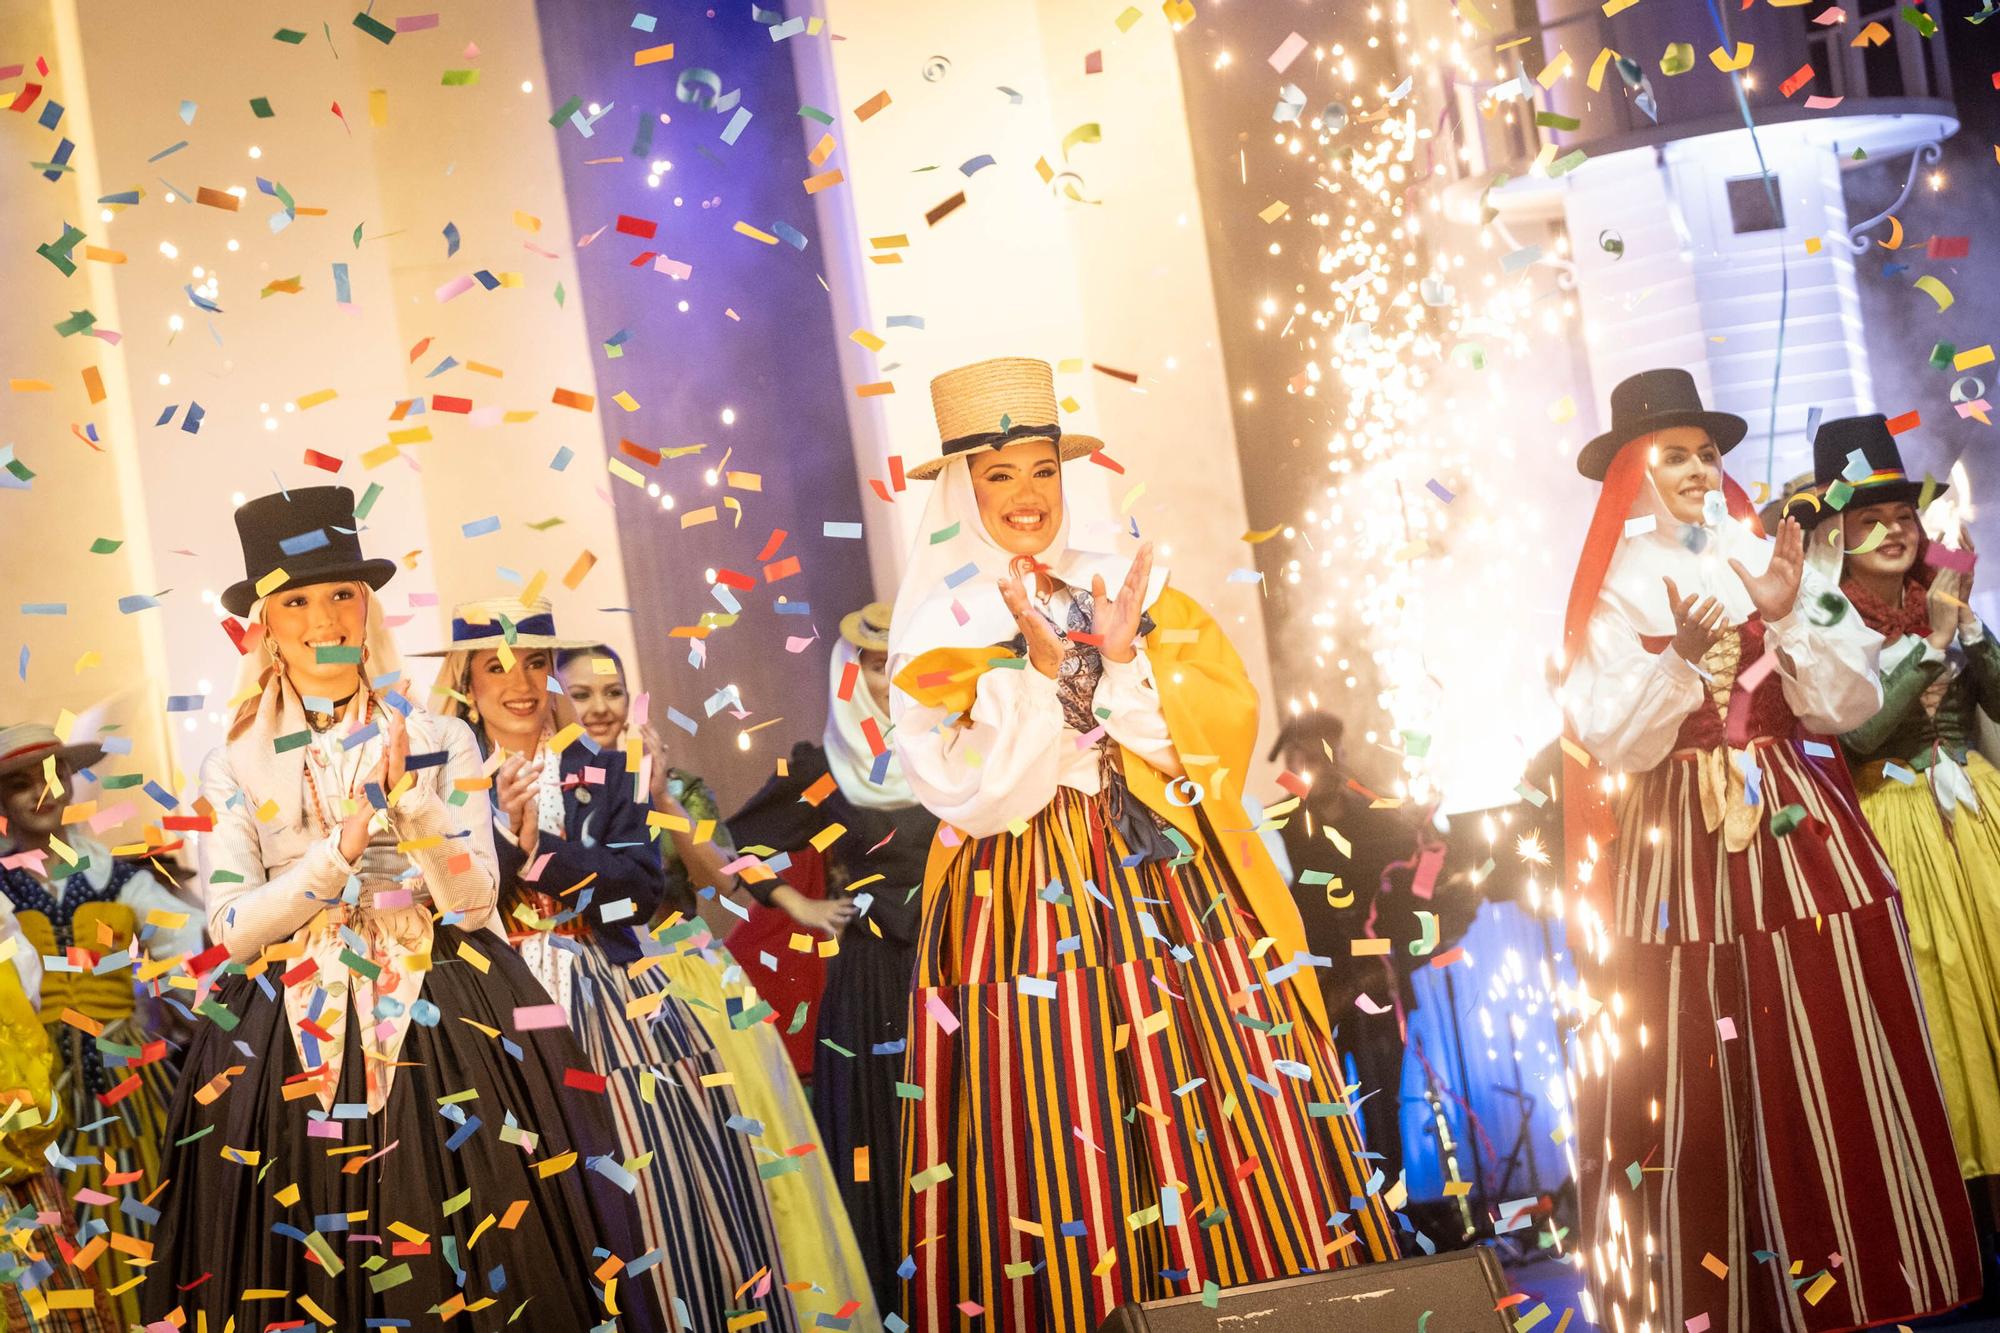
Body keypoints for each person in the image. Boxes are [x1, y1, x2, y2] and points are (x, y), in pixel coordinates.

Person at [888, 357, 1393, 1330]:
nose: (1025, 495)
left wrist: (1113, 665)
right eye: (998, 474)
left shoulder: (1118, 584)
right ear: (964, 488)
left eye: (1040, 469)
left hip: (1154, 875)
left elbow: (1192, 743)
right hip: (1017, 897)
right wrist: (1046, 680)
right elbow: (972, 795)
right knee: (1055, 1098)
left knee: (1206, 1086)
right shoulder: (932, 626)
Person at [142, 488, 660, 1330]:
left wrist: (413, 808)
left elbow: (471, 901)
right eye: (297, 600)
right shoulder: (231, 762)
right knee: (302, 1251)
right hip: (285, 1038)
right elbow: (232, 929)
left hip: (446, 1012)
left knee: (483, 1238)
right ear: (265, 622)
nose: (324, 619)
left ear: (367, 606)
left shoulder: (436, 735)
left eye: (342, 593)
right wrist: (335, 854)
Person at [1558, 373, 1977, 1332]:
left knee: (1833, 1023)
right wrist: (1676, 660)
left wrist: (1787, 611)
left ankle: (1871, 1275)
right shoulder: (1617, 583)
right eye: (1676, 454)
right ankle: (1728, 1299)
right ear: (1633, 471)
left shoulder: (1763, 551)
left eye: (1708, 452)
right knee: (1696, 1055)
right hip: (1681, 841)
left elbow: (1849, 707)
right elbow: (1614, 744)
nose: (1701, 469)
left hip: (1796, 817)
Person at [548, 636, 881, 1326]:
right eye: (581, 694)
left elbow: (719, 878)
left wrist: (660, 788)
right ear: (556, 702)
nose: (602, 707)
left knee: (753, 1155)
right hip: (593, 988)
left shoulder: (672, 781)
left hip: (693, 978)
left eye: (613, 690)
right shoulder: (545, 787)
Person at [1808, 416, 2000, 1227]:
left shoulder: (1943, 597)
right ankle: (1971, 1224)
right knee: (1944, 1018)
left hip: (1979, 818)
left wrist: (1971, 630)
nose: (1892, 529)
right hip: (1896, 832)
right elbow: (1856, 734)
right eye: (1868, 519)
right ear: (1836, 537)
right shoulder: (1825, 621)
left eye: (1902, 516)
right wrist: (1932, 644)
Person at [725, 601, 939, 1316]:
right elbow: (743, 847)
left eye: (903, 664)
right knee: (889, 1145)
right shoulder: (826, 767)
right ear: (854, 674)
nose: (893, 680)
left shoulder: (953, 747)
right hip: (876, 978)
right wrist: (801, 905)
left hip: (956, 963)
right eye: (880, 667)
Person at [0, 722, 200, 1323]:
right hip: (42, 1097)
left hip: (134, 1082)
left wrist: (190, 1005)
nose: (43, 792)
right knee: (68, 1234)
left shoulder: (118, 873)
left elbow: (189, 952)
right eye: (20, 783)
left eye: (53, 775)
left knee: (157, 1212)